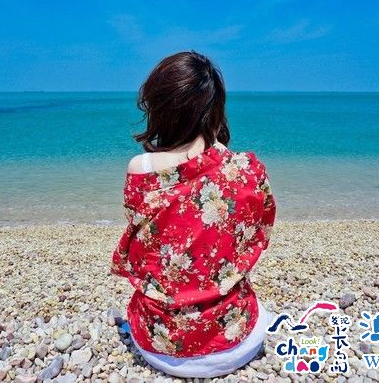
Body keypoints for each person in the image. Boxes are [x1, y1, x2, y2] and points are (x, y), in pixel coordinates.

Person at [110, 51, 276, 378]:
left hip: (161, 344)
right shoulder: (244, 169)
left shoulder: (141, 170)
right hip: (237, 339)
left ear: (158, 106)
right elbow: (258, 232)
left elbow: (140, 243)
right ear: (215, 108)